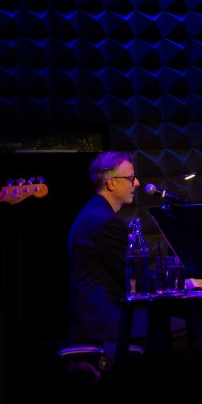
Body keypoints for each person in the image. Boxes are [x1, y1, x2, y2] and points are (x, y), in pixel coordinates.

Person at [67, 151, 152, 360]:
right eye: (131, 178)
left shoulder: (93, 213)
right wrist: (180, 284)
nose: (137, 183)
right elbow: (134, 280)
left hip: (97, 318)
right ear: (111, 183)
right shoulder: (105, 222)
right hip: (107, 322)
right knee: (182, 325)